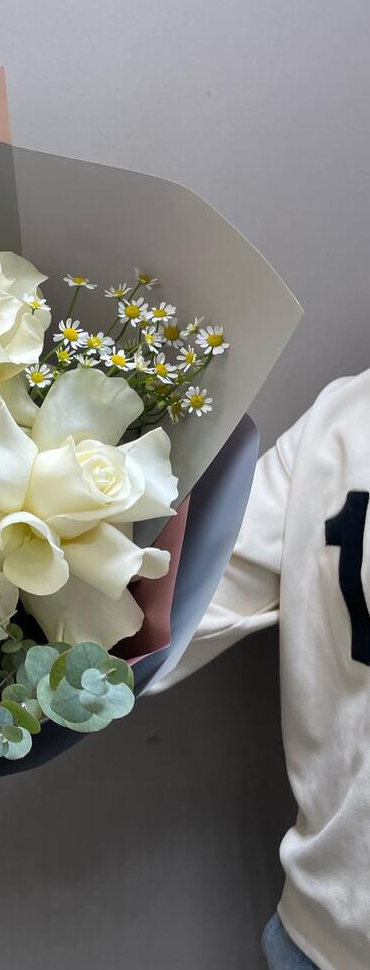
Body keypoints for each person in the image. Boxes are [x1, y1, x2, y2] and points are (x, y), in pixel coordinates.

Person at [149, 371, 370, 970]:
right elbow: (156, 625)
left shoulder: (345, 413)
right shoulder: (342, 415)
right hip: (324, 936)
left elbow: (151, 628)